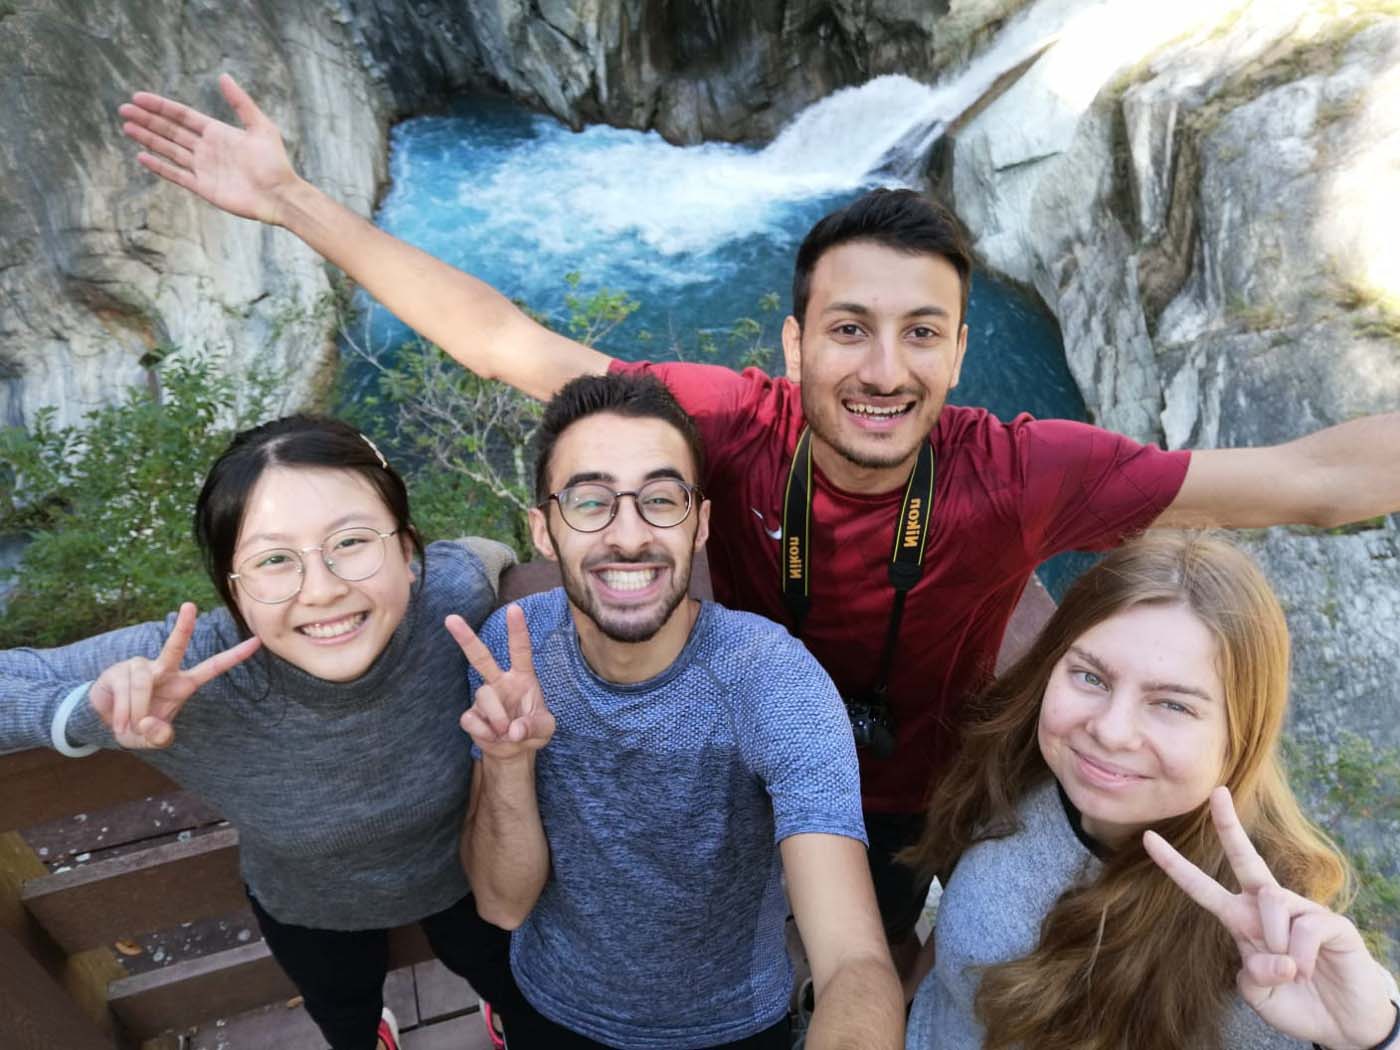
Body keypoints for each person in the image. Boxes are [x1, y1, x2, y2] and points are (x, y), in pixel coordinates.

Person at [116, 75, 1400, 973]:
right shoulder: (726, 423)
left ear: (959, 356)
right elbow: (510, 341)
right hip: (719, 742)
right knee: (708, 917)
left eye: (919, 333)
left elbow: (1315, 481)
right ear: (794, 346)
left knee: (875, 945)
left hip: (906, 788)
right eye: (848, 328)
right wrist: (293, 200)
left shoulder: (1020, 468)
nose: (881, 367)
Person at [0, 415, 514, 1050]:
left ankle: (505, 1009)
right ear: (233, 590)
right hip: (310, 903)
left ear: (408, 553)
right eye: (274, 559)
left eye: (351, 541)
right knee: (343, 1011)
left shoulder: (450, 595)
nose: (322, 589)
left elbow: (489, 553)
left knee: (502, 971)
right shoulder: (188, 667)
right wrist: (87, 710)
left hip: (464, 869)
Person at [447, 372, 903, 1049]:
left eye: (661, 499)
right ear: (543, 531)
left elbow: (853, 961)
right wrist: (509, 762)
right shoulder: (510, 652)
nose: (628, 535)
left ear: (701, 524)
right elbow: (502, 904)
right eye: (591, 500)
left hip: (730, 1028)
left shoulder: (770, 680)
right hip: (550, 1005)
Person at [899, 531, 1399, 1050]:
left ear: (1240, 736)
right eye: (1091, 677)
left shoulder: (1266, 936)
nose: (1110, 731)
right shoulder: (1019, 755)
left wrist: (1374, 1039)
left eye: (1173, 705)